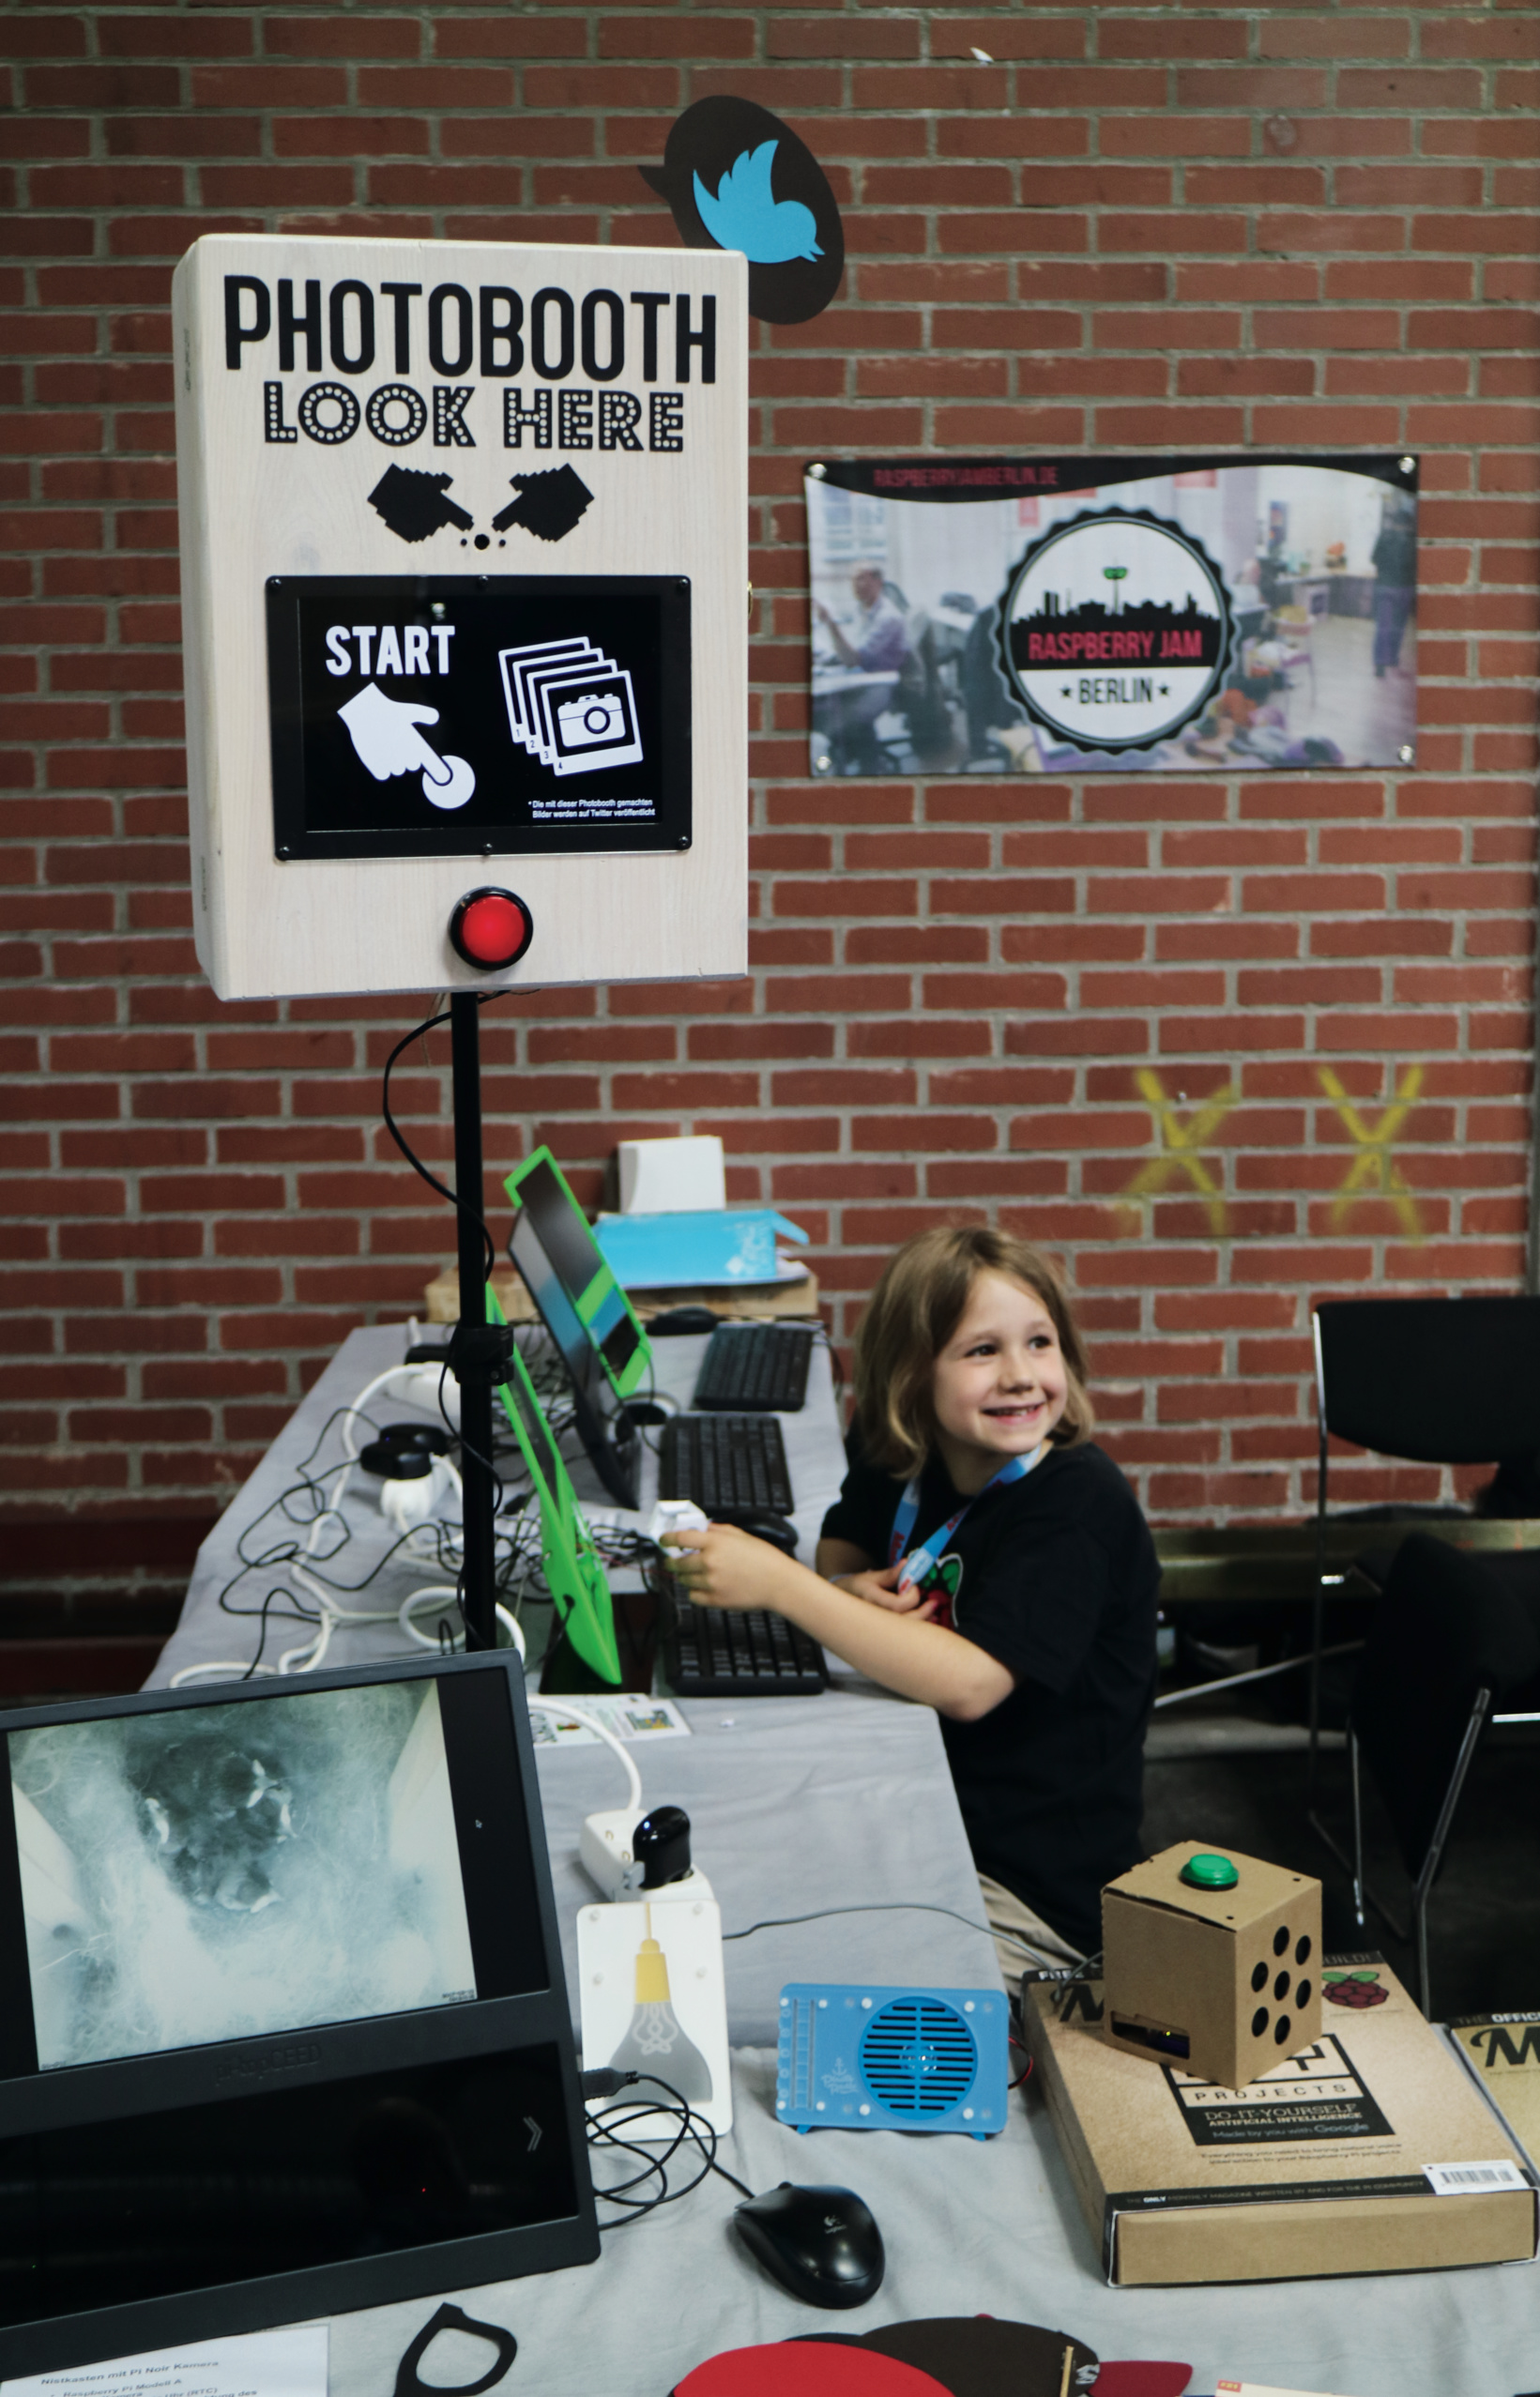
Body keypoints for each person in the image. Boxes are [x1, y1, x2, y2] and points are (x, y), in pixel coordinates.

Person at [664, 1226, 1160, 1977]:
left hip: (1022, 1890)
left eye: (1039, 1343)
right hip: (918, 1802)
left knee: (781, 1971)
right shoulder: (907, 1445)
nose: (1020, 1376)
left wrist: (785, 1586)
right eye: (982, 1351)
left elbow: (970, 1683)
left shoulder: (1077, 1507)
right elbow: (844, 1542)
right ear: (909, 1375)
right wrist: (843, 1587)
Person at [812, 564, 911, 773]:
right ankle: (859, 759)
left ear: (878, 582)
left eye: (862, 579)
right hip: (862, 679)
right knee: (824, 706)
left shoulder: (888, 617)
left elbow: (853, 659)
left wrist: (831, 624)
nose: (856, 585)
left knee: (835, 714)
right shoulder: (863, 611)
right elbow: (852, 651)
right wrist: (829, 658)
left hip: (884, 686)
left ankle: (867, 766)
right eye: (854, 580)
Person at [1370, 497, 1417, 679]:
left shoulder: (1384, 536)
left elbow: (1374, 559)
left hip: (1384, 586)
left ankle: (1380, 664)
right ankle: (1392, 658)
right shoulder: (1412, 541)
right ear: (1408, 524)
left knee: (1383, 626)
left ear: (1394, 522)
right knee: (1398, 626)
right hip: (1404, 588)